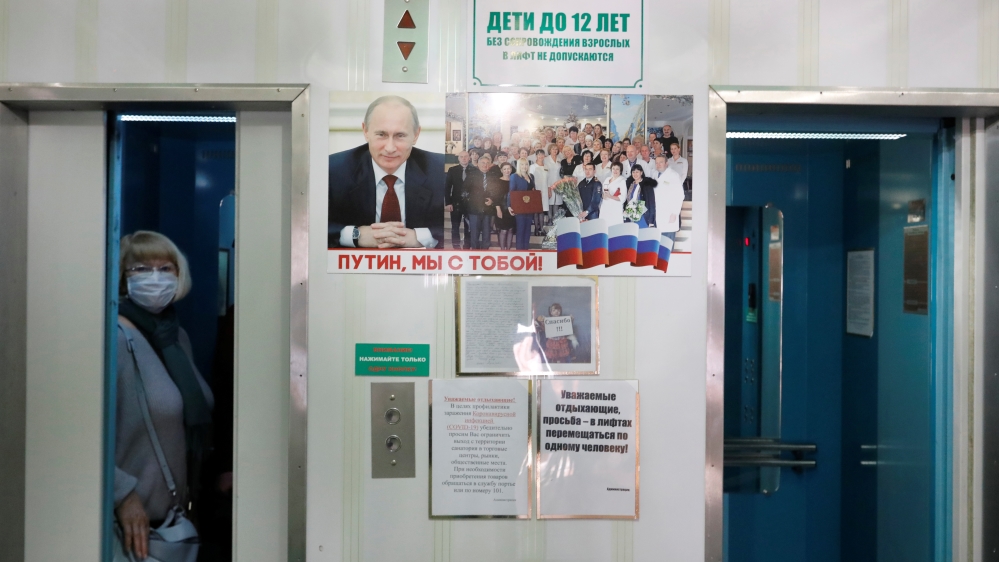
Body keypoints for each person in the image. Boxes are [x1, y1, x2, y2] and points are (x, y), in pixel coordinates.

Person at [114, 231, 214, 561]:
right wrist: (122, 496)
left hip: (173, 520)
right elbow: (75, 429)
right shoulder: (113, 336)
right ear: (122, 279)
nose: (155, 277)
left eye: (166, 268)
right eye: (141, 269)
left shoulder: (175, 338)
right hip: (131, 525)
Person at [328, 95, 445, 249]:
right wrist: (354, 235)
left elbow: (462, 227)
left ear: (416, 135)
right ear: (365, 131)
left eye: (400, 135)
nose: (390, 148)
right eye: (381, 135)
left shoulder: (441, 171)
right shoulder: (333, 170)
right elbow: (311, 224)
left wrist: (421, 237)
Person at [463, 152, 502, 249]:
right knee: (474, 234)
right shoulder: (471, 175)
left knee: (486, 234)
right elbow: (464, 191)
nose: (485, 165)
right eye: (483, 163)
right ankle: (475, 254)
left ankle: (485, 254)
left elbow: (497, 192)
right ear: (479, 164)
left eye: (487, 163)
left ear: (489, 165)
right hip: (474, 210)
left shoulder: (493, 177)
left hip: (488, 210)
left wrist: (492, 200)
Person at [506, 158, 537, 250]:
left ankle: (526, 250)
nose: (524, 166)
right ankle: (520, 252)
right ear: (519, 166)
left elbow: (533, 191)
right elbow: (511, 192)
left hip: (529, 207)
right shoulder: (514, 176)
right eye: (522, 164)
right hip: (519, 207)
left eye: (526, 164)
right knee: (520, 230)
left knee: (527, 230)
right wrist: (509, 206)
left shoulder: (531, 176)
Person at [444, 150, 472, 249]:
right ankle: (456, 247)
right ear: (458, 158)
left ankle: (467, 247)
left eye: (466, 156)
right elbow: (447, 187)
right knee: (455, 227)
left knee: (468, 227)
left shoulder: (474, 170)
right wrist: (448, 203)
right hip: (455, 203)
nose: (464, 158)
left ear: (469, 158)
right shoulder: (452, 170)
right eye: (461, 157)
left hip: (470, 204)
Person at [653, 155, 685, 241]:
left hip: (669, 214)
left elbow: (680, 195)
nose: (658, 165)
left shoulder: (673, 175)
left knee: (668, 244)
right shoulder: (655, 174)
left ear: (666, 163)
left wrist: (675, 213)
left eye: (661, 162)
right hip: (658, 213)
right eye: (656, 163)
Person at [494, 162, 516, 250]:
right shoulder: (498, 181)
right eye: (505, 169)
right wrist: (498, 209)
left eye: (508, 169)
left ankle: (509, 250)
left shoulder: (514, 180)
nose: (507, 171)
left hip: (512, 208)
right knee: (503, 230)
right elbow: (495, 197)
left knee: (510, 230)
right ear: (501, 170)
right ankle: (503, 251)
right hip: (501, 208)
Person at [529, 149, 550, 235]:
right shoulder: (532, 167)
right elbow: (530, 180)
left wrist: (549, 190)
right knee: (536, 210)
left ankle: (541, 229)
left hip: (544, 191)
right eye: (539, 155)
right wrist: (533, 190)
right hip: (536, 191)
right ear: (536, 156)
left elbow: (548, 180)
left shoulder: (546, 167)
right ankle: (536, 230)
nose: (541, 156)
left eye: (542, 155)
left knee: (542, 210)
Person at [600, 162, 627, 226]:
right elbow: (603, 192)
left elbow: (623, 197)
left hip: (615, 208)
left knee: (614, 228)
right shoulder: (607, 179)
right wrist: (603, 195)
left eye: (617, 169)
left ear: (620, 171)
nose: (615, 171)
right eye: (613, 168)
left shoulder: (622, 181)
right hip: (605, 207)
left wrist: (611, 196)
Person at [544, 145, 563, 225]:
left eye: (556, 149)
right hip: (549, 183)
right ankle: (550, 219)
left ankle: (555, 220)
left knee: (556, 202)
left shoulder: (560, 159)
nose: (555, 150)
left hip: (558, 183)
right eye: (553, 149)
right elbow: (545, 173)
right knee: (549, 202)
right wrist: (548, 187)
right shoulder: (545, 159)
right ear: (549, 150)